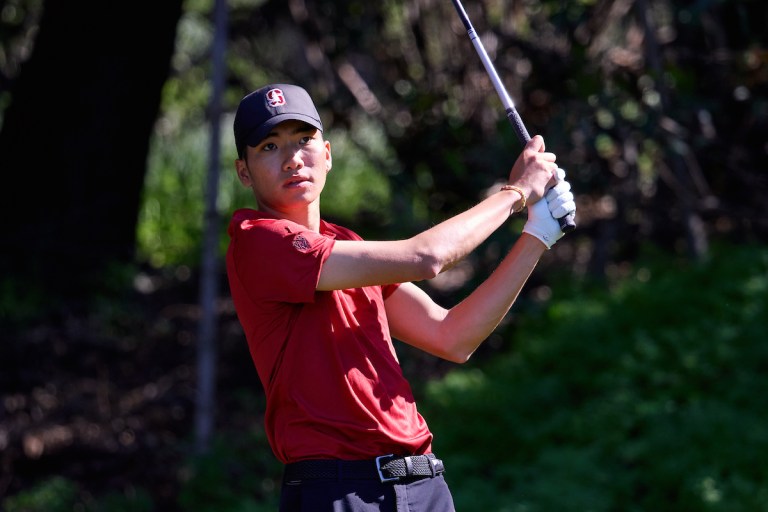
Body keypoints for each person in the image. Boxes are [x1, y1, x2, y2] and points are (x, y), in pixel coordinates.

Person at [225, 83, 576, 512]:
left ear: (328, 153)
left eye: (304, 140)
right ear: (244, 172)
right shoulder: (258, 242)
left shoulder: (346, 244)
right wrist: (517, 193)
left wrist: (537, 234)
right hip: (339, 492)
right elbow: (427, 257)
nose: (293, 158)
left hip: (423, 484)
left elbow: (453, 336)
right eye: (269, 146)